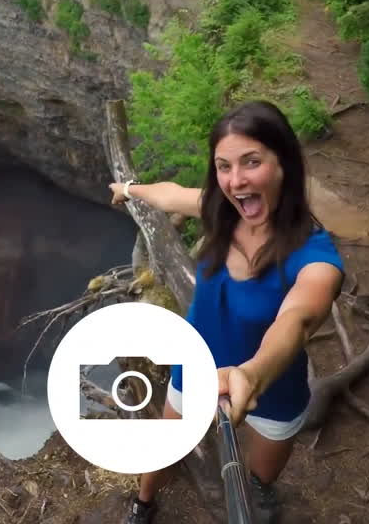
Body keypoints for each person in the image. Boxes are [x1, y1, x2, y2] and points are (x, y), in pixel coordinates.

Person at [108, 100, 345, 524]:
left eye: (251, 162)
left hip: (274, 387)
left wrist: (252, 375)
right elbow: (170, 195)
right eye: (223, 166)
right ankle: (143, 505)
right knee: (165, 445)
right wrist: (128, 191)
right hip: (197, 365)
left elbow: (297, 320)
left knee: (263, 476)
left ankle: (260, 491)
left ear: (284, 164)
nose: (235, 182)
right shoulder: (221, 212)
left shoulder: (315, 258)